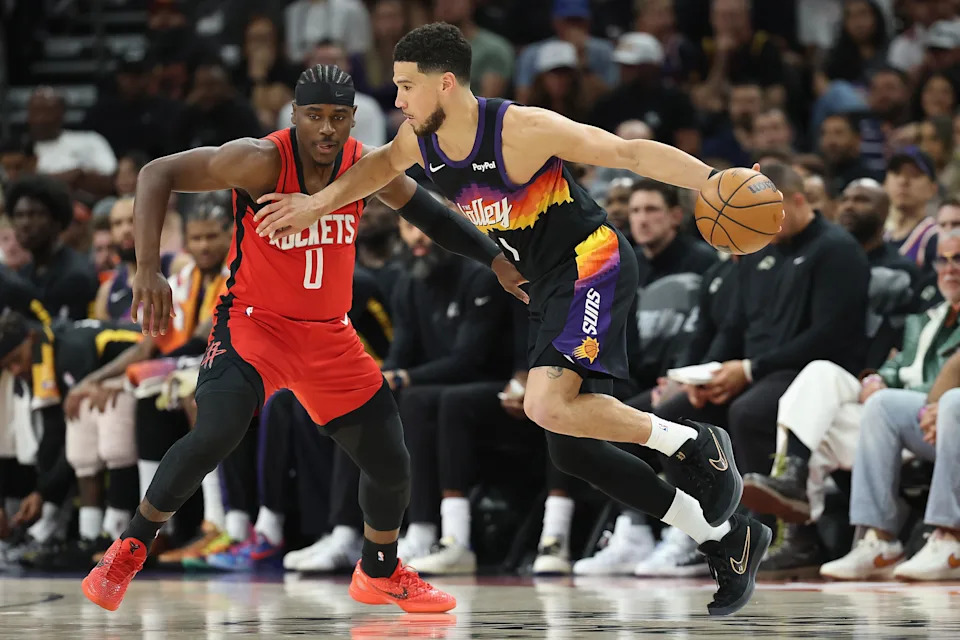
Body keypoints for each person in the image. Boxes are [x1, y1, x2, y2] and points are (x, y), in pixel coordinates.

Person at [254, 22, 781, 617]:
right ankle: (729, 539)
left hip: (592, 261)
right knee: (575, 450)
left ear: (445, 84)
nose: (396, 99)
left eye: (406, 86)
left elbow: (626, 152)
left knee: (546, 406)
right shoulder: (419, 139)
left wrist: (711, 179)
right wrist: (315, 203)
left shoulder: (521, 129)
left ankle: (696, 443)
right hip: (545, 283)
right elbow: (375, 170)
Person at [81, 63, 526, 614]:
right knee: (217, 432)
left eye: (338, 118)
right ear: (294, 116)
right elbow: (155, 173)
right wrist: (147, 267)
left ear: (352, 120)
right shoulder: (260, 158)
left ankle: (380, 571)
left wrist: (494, 258)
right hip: (254, 324)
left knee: (391, 462)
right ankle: (128, 549)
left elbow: (431, 215)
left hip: (329, 338)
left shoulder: (364, 166)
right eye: (314, 115)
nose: (325, 129)